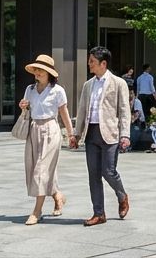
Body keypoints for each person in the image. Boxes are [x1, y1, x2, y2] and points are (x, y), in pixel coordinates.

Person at [71, 46, 131, 226]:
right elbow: (82, 111)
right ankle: (99, 213)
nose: (89, 65)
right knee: (94, 174)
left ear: (103, 63)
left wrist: (125, 134)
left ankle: (122, 196)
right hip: (91, 133)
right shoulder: (88, 85)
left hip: (110, 134)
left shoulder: (118, 83)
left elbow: (124, 110)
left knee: (108, 171)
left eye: (92, 62)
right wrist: (76, 134)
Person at [19, 54, 72, 226]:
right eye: (36, 69)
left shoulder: (57, 91)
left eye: (41, 70)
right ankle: (58, 196)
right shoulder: (30, 89)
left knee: (41, 169)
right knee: (36, 167)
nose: (37, 72)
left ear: (49, 73)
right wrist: (23, 108)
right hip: (34, 129)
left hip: (51, 130)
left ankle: (37, 211)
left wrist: (72, 135)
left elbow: (64, 114)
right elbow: (26, 112)